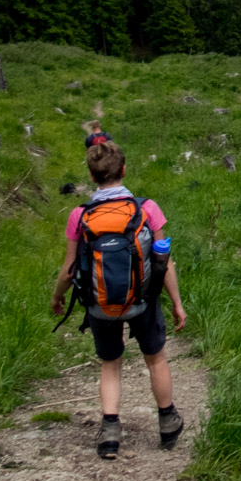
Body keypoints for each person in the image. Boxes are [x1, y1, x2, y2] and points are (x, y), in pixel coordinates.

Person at [50, 121, 189, 459]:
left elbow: (70, 269)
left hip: (100, 304)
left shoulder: (79, 216)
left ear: (93, 176)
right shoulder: (148, 210)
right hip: (143, 300)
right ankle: (168, 422)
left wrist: (57, 296)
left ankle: (110, 431)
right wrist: (177, 304)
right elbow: (163, 262)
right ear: (124, 170)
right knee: (155, 359)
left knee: (110, 364)